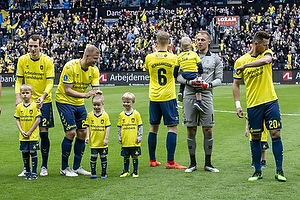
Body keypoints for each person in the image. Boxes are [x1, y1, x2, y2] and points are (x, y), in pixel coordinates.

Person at [232, 31, 286, 182]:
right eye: (265, 44)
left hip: (270, 102)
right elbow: (235, 84)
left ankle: (279, 171)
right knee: (255, 137)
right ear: (256, 44)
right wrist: (238, 105)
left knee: (275, 134)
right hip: (253, 105)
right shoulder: (239, 61)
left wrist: (246, 66)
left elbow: (266, 61)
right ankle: (257, 171)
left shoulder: (266, 53)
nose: (268, 47)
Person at [176, 31, 223, 173]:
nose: (200, 42)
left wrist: (207, 85)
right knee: (191, 129)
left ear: (209, 41)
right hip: (189, 95)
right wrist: (189, 82)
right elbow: (178, 76)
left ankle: (208, 163)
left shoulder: (215, 59)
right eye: (197, 39)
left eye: (203, 39)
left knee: (208, 128)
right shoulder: (186, 55)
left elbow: (219, 78)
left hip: (207, 95)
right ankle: (192, 163)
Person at [55, 45, 101, 177]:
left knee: (82, 132)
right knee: (71, 132)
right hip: (64, 100)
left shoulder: (94, 70)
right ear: (87, 56)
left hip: (79, 102)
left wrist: (98, 96)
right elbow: (67, 90)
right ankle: (64, 168)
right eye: (95, 58)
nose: (96, 61)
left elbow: (95, 89)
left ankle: (76, 167)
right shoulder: (70, 67)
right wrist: (86, 95)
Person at [145, 30, 186, 169]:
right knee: (172, 128)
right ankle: (170, 162)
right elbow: (177, 74)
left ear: (156, 43)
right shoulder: (174, 58)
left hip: (154, 96)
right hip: (168, 96)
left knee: (153, 128)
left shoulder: (149, 57)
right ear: (169, 43)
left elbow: (148, 71)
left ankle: (152, 160)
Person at [15, 34, 54, 177]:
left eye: (35, 46)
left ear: (40, 46)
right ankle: (26, 168)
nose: (32, 49)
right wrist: (18, 96)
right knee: (25, 133)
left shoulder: (47, 61)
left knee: (43, 133)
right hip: (27, 101)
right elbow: (19, 80)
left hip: (43, 101)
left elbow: (50, 82)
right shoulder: (22, 60)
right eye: (30, 46)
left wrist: (43, 96)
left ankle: (44, 165)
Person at [14, 84, 41, 180]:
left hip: (33, 135)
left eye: (27, 93)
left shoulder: (35, 106)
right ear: (20, 94)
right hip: (23, 135)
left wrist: (30, 131)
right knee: (24, 152)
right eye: (23, 93)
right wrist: (21, 131)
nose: (25, 95)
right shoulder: (19, 107)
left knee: (33, 152)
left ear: (31, 94)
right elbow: (17, 119)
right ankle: (27, 171)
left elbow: (38, 119)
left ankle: (34, 172)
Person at [174, 36, 204, 112]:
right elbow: (200, 64)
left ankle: (181, 91)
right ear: (191, 46)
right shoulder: (194, 54)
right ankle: (198, 102)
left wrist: (175, 77)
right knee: (198, 87)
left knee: (183, 79)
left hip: (184, 74)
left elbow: (176, 68)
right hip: (193, 73)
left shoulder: (179, 56)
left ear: (181, 47)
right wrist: (200, 73)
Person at [85, 92, 111, 179]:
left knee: (103, 156)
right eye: (94, 105)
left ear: (102, 104)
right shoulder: (90, 115)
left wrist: (106, 139)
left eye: (98, 105)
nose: (96, 107)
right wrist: (87, 136)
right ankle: (93, 172)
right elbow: (88, 126)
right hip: (94, 141)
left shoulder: (105, 115)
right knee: (93, 156)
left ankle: (104, 173)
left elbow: (107, 127)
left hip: (102, 142)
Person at [117, 92, 143, 177]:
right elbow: (119, 127)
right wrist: (119, 137)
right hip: (125, 141)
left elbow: (140, 126)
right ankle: (126, 171)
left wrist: (139, 136)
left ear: (133, 102)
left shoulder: (136, 114)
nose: (126, 104)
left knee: (135, 156)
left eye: (128, 102)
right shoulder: (121, 115)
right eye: (124, 102)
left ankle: (135, 171)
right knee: (126, 156)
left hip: (134, 140)